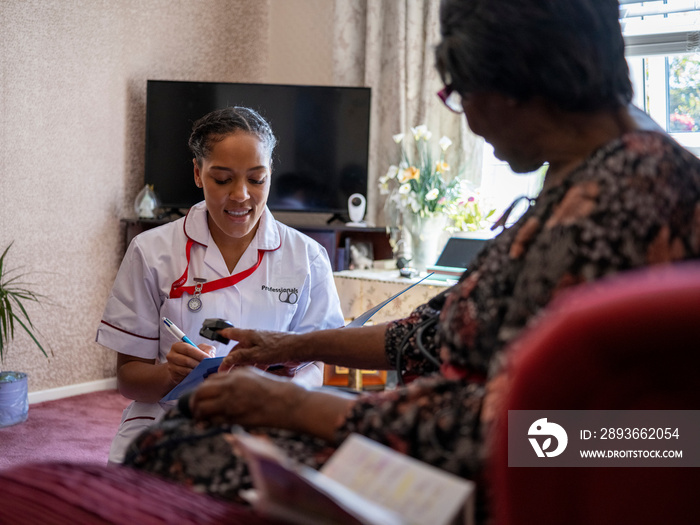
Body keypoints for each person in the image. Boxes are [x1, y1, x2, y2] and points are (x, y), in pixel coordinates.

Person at [124, 0, 700, 518]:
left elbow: (554, 434)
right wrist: (287, 347)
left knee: (174, 441)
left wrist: (297, 407)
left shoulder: (608, 213)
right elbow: (434, 332)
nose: (468, 120)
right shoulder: (614, 170)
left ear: (517, 82)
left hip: (492, 475)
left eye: (461, 95)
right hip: (467, 436)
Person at [96, 106, 345, 463]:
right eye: (223, 179)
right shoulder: (152, 251)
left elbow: (318, 365)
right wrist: (170, 373)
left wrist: (283, 393)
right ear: (198, 173)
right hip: (171, 417)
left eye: (257, 179)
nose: (241, 195)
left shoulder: (308, 257)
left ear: (271, 174)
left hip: (268, 421)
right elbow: (128, 380)